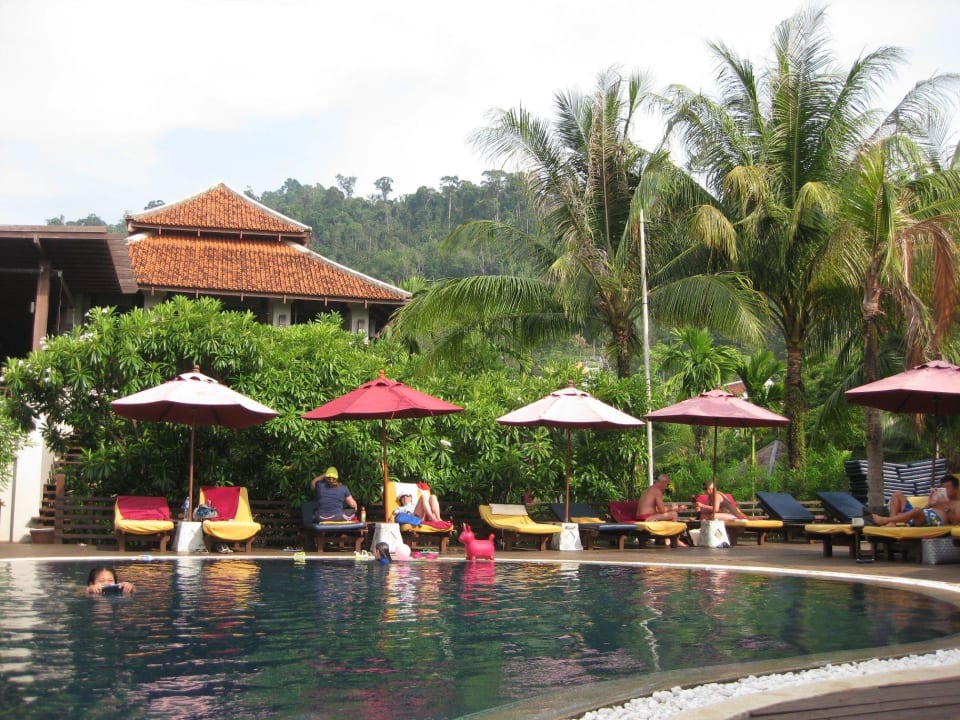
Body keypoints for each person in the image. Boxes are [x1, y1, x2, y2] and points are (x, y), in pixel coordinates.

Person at [873, 475, 960, 526]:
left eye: (947, 487)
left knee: (916, 510)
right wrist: (929, 504)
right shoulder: (939, 500)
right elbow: (924, 510)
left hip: (933, 520)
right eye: (942, 487)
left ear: (956, 489)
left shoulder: (957, 504)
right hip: (920, 515)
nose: (944, 490)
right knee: (897, 494)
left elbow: (956, 522)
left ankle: (886, 520)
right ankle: (892, 523)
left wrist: (945, 507)